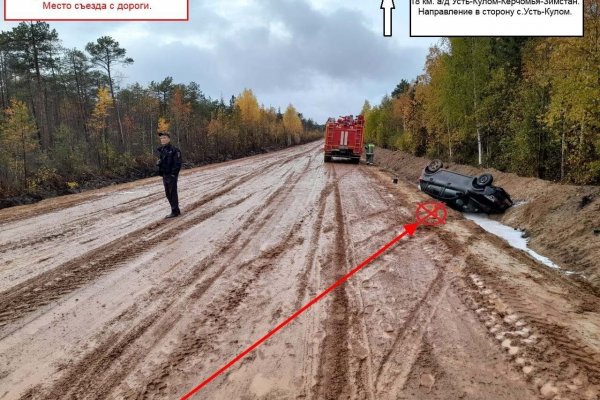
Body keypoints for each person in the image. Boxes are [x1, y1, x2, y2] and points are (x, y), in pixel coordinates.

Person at [156, 132, 182, 218]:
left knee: (172, 193)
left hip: (171, 175)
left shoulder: (174, 150)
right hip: (165, 174)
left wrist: (174, 174)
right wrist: (159, 164)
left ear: (169, 139)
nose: (162, 140)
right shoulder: (162, 150)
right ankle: (175, 210)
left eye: (164, 138)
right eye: (161, 138)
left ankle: (175, 211)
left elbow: (178, 163)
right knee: (168, 194)